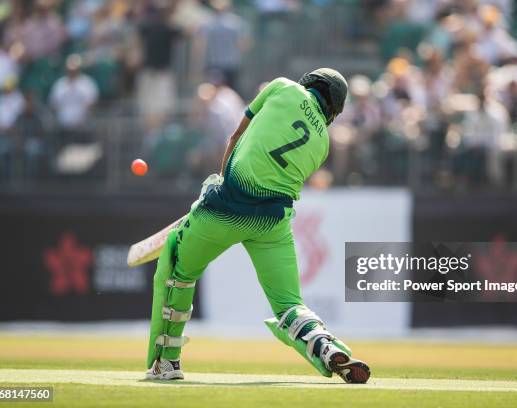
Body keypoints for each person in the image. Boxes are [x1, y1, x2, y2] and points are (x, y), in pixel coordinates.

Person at [145, 68, 371, 384]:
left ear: (310, 82)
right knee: (290, 304)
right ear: (333, 109)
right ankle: (322, 343)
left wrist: (219, 183)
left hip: (226, 208)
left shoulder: (282, 87)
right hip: (273, 223)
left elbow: (237, 136)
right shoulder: (323, 143)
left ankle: (166, 362)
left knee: (177, 272)